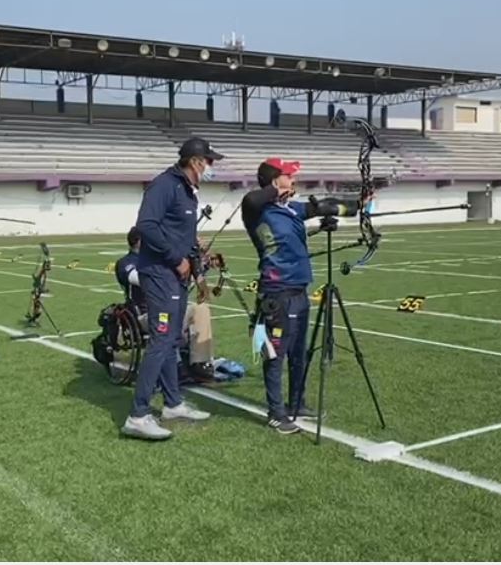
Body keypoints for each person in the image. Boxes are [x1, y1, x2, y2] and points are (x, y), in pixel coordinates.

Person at [241, 158, 361, 434]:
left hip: (299, 290)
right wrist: (277, 191)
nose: (294, 179)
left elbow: (325, 206)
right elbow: (250, 199)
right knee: (275, 354)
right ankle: (276, 412)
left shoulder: (291, 209)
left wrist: (358, 204)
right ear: (274, 180)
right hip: (277, 292)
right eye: (289, 176)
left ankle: (296, 403)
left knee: (298, 353)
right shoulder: (257, 210)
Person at [120, 137, 222, 441]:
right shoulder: (165, 185)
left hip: (176, 277)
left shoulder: (188, 191)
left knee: (173, 339)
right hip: (160, 273)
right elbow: (146, 225)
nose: (212, 166)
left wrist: (200, 277)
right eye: (209, 160)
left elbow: (188, 238)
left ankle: (173, 403)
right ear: (195, 161)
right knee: (162, 340)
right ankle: (138, 415)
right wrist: (175, 257)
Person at [115, 226, 216, 384]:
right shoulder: (125, 262)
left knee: (201, 308)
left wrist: (199, 261)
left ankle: (200, 362)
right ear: (139, 242)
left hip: (169, 308)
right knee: (167, 312)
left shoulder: (156, 260)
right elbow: (138, 279)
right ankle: (175, 364)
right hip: (144, 316)